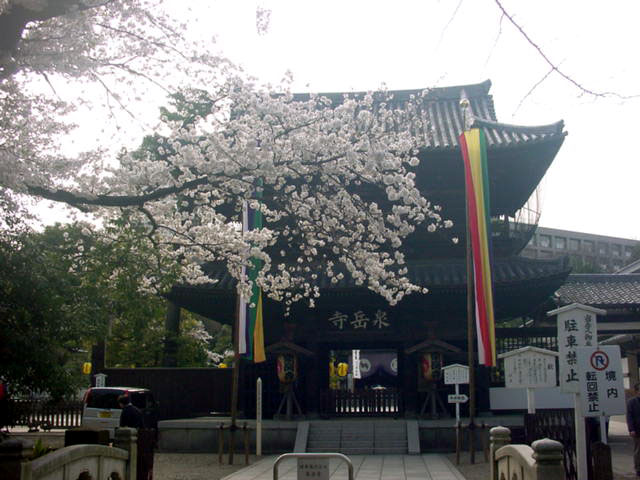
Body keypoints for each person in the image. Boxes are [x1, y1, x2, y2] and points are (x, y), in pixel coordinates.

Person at [627, 382, 640, 476]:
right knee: (638, 450)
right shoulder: (631, 402)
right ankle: (638, 468)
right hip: (637, 429)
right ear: (637, 391)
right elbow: (629, 416)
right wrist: (631, 429)